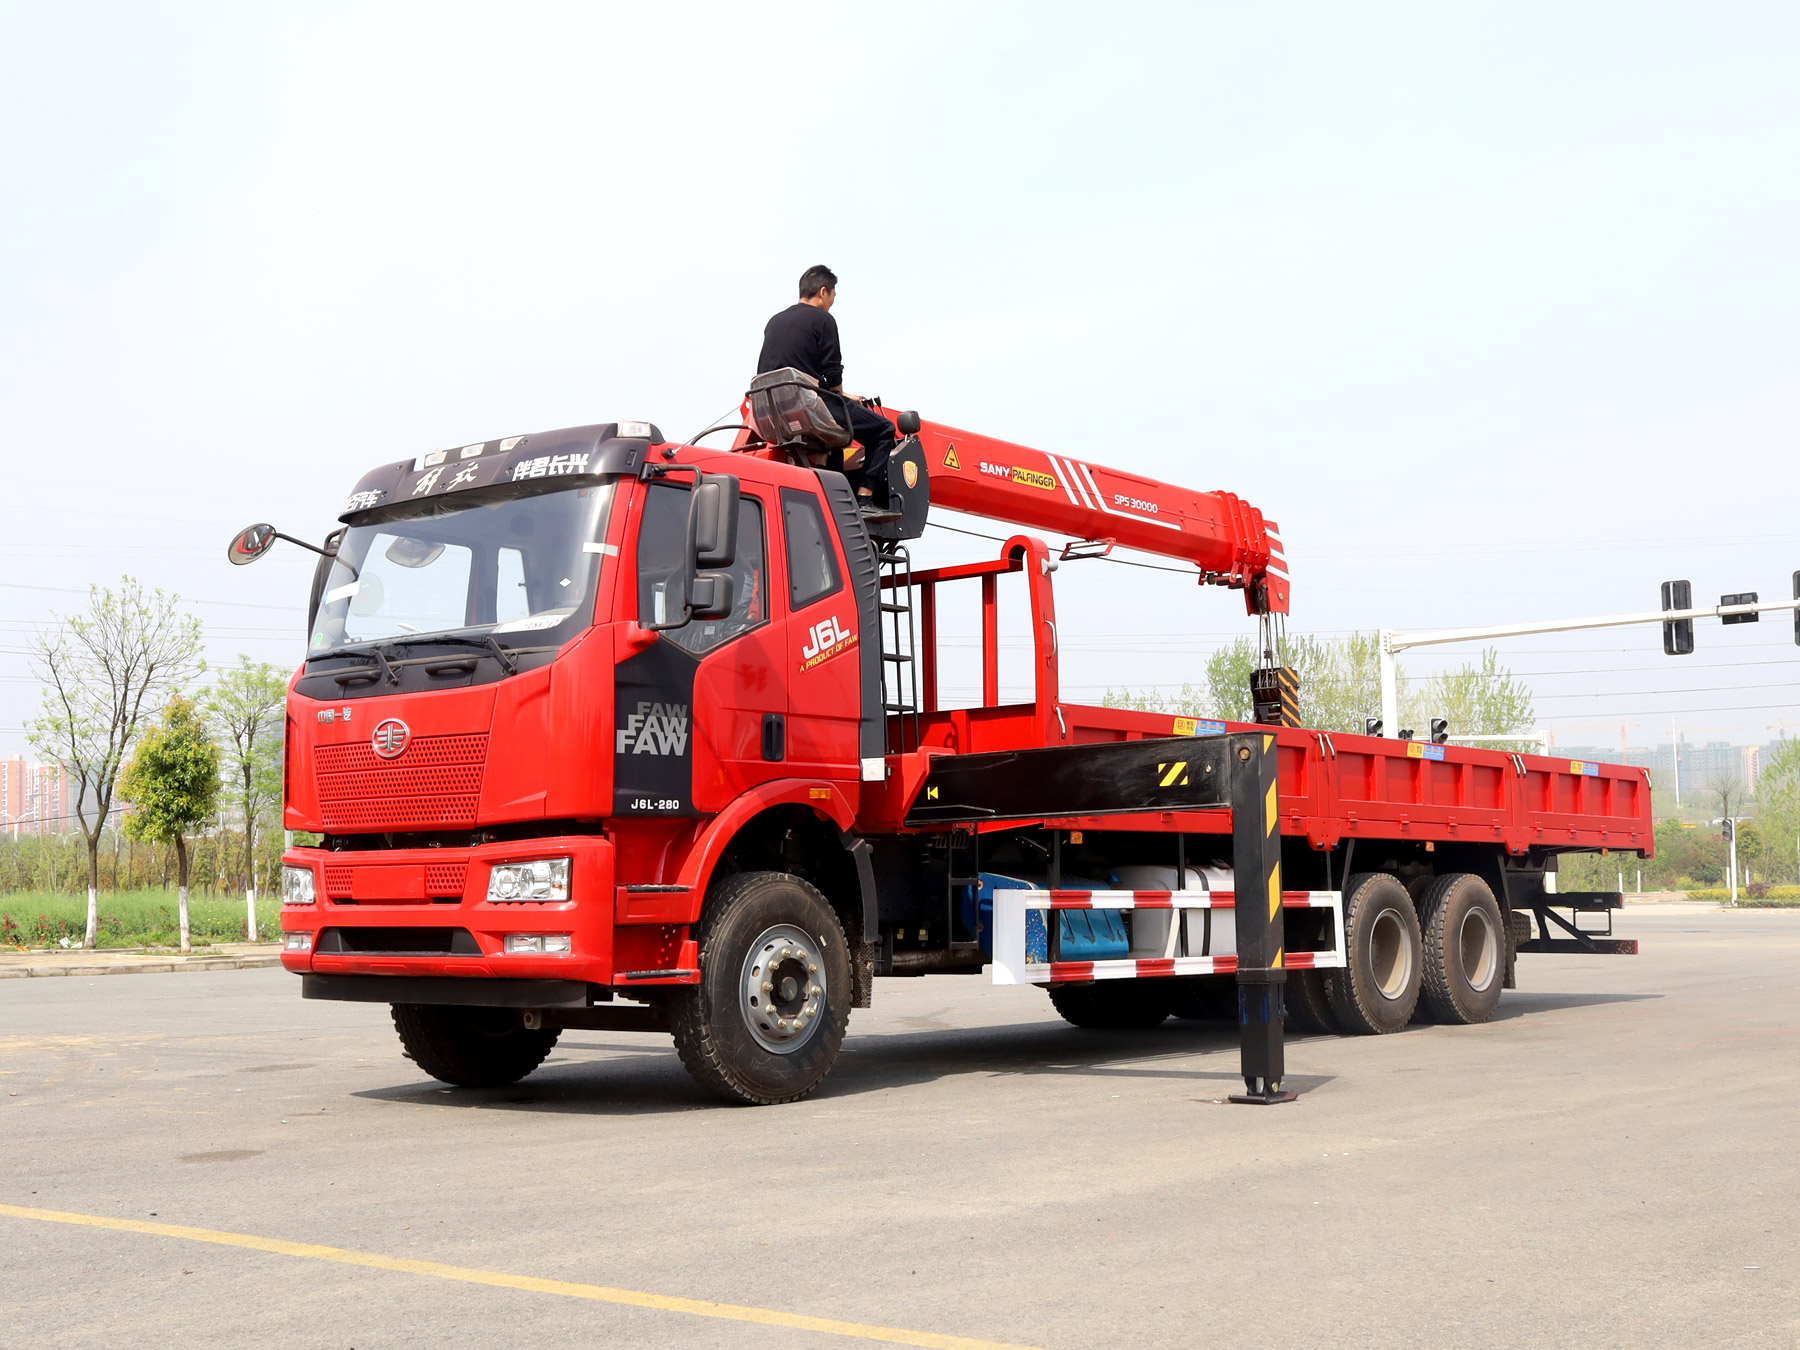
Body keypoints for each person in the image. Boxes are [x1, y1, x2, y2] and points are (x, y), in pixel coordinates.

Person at [757, 264, 895, 511]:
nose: (832, 302)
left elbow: (793, 370)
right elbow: (832, 371)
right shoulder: (823, 320)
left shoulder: (774, 321)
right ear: (823, 291)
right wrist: (840, 395)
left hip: (773, 411)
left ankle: (830, 503)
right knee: (884, 430)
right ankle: (864, 500)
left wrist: (840, 395)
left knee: (835, 444)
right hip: (807, 405)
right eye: (833, 296)